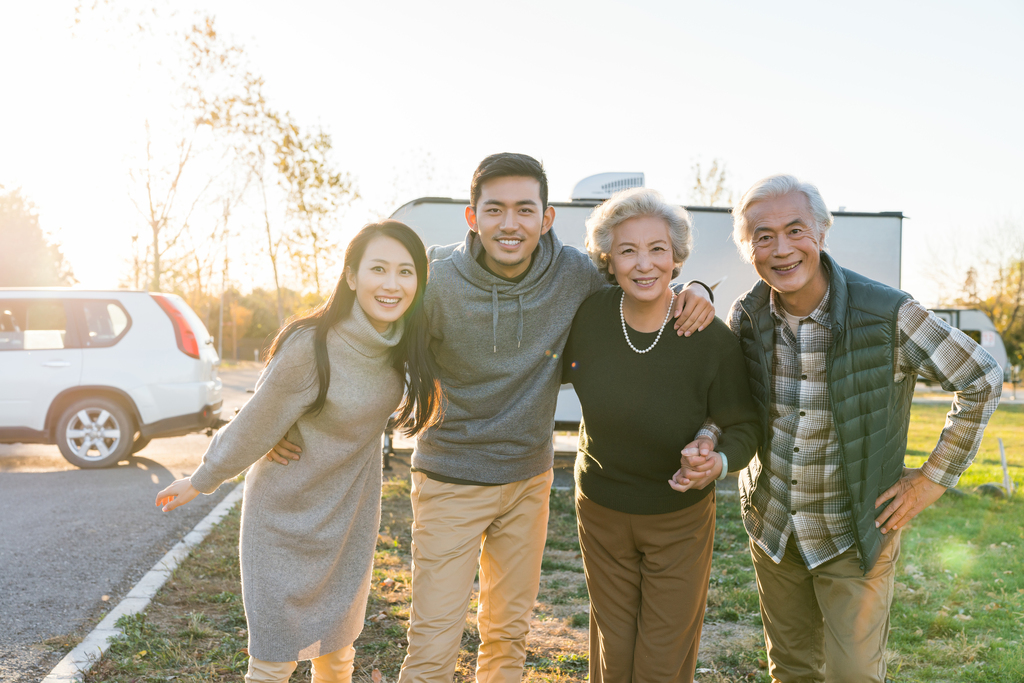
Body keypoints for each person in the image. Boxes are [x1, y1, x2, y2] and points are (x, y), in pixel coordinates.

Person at [268, 153, 716, 683]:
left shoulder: (575, 273)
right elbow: (349, 332)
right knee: (434, 639)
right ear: (472, 217)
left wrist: (699, 290)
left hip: (528, 479)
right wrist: (280, 411)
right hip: (449, 478)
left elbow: (644, 280)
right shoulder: (433, 279)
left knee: (509, 637)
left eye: (525, 210)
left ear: (546, 219)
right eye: (495, 209)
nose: (510, 224)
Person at [679, 175, 1002, 683]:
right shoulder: (747, 314)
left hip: (854, 533)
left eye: (795, 230)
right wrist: (708, 437)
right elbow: (731, 403)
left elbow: (981, 376)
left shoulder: (890, 313)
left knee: (853, 675)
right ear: (748, 248)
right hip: (774, 527)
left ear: (823, 233)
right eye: (764, 236)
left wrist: (934, 478)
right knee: (791, 670)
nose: (781, 249)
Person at [155, 221, 442, 683]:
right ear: (351, 276)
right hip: (283, 522)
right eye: (379, 269)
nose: (392, 284)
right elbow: (254, 422)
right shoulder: (311, 346)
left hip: (346, 520)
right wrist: (201, 479)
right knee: (273, 661)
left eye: (406, 272)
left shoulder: (402, 345)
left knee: (337, 652)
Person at [561, 187, 760, 683]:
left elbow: (741, 422)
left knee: (662, 658)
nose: (643, 263)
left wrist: (717, 461)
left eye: (657, 249)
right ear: (609, 259)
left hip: (678, 519)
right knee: (614, 647)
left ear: (676, 258)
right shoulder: (588, 317)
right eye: (628, 250)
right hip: (602, 511)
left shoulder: (710, 336)